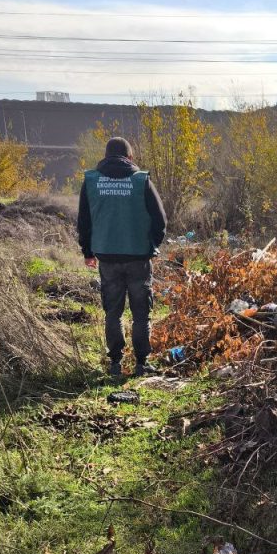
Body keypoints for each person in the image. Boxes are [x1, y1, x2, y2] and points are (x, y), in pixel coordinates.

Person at [77, 136, 167, 378]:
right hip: (138, 256)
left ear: (105, 156)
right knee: (141, 313)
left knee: (113, 312)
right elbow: (160, 220)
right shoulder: (141, 180)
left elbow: (84, 221)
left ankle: (115, 364)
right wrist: (152, 246)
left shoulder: (91, 181)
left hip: (107, 256)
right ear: (130, 157)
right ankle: (141, 364)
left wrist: (87, 251)